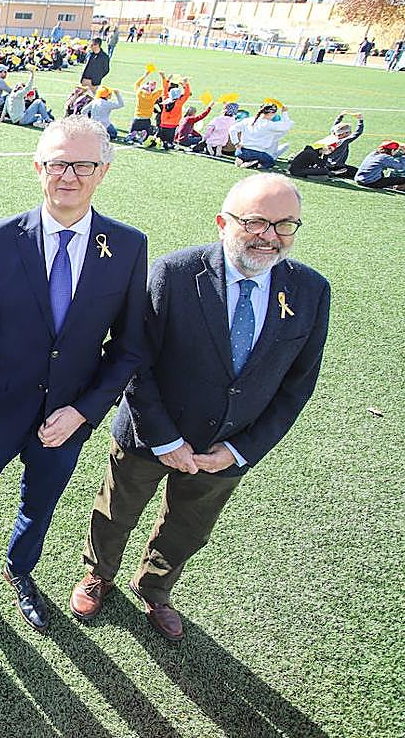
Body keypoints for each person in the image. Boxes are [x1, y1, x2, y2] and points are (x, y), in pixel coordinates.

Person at [71, 174, 330, 641]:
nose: (269, 236)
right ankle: (99, 574)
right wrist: (166, 438)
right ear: (222, 223)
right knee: (116, 511)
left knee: (189, 527)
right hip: (149, 436)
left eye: (284, 224)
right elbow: (135, 361)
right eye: (254, 222)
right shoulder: (173, 272)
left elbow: (296, 387)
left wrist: (239, 450)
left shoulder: (312, 290)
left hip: (225, 450)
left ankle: (155, 587)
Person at [0, 116, 147, 631]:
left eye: (83, 165)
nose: (69, 176)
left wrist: (84, 412)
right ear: (38, 167)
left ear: (103, 171)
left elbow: (130, 347)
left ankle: (21, 570)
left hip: (67, 417)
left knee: (39, 504)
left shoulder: (128, 247)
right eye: (58, 163)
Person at [235, 103, 292, 170]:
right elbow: (286, 126)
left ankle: (242, 160)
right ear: (271, 113)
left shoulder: (248, 120)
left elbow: (232, 129)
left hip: (241, 151)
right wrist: (284, 112)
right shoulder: (270, 125)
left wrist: (236, 142)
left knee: (245, 155)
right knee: (270, 162)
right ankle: (256, 164)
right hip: (258, 153)